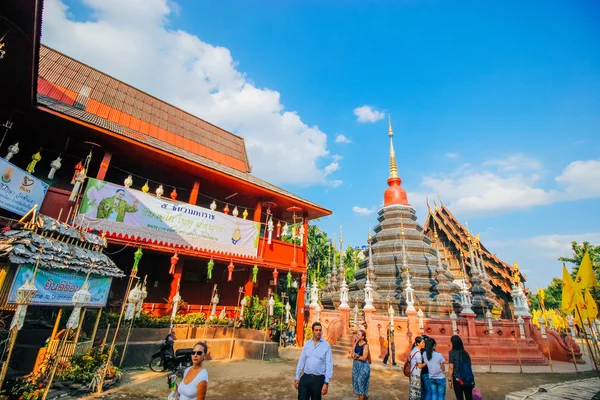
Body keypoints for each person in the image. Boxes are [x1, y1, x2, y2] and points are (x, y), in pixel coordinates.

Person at [295, 322, 334, 400]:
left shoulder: (326, 346)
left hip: (318, 379)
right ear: (312, 331)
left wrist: (326, 383)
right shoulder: (307, 344)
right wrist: (297, 377)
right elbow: (302, 360)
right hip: (306, 377)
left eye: (320, 330)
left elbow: (329, 364)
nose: (318, 332)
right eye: (316, 330)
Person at [448, 335, 475, 400]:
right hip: (468, 378)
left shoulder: (452, 352)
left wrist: (449, 379)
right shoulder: (466, 353)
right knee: (469, 397)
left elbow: (451, 367)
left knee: (459, 397)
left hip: (458, 379)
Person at [352, 329, 370, 400]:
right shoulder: (356, 343)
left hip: (363, 367)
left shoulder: (365, 345)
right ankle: (363, 397)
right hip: (356, 366)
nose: (357, 336)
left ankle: (363, 396)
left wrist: (357, 357)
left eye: (359, 335)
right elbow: (352, 353)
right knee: (356, 382)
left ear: (362, 337)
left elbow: (364, 358)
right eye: (357, 334)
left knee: (360, 382)